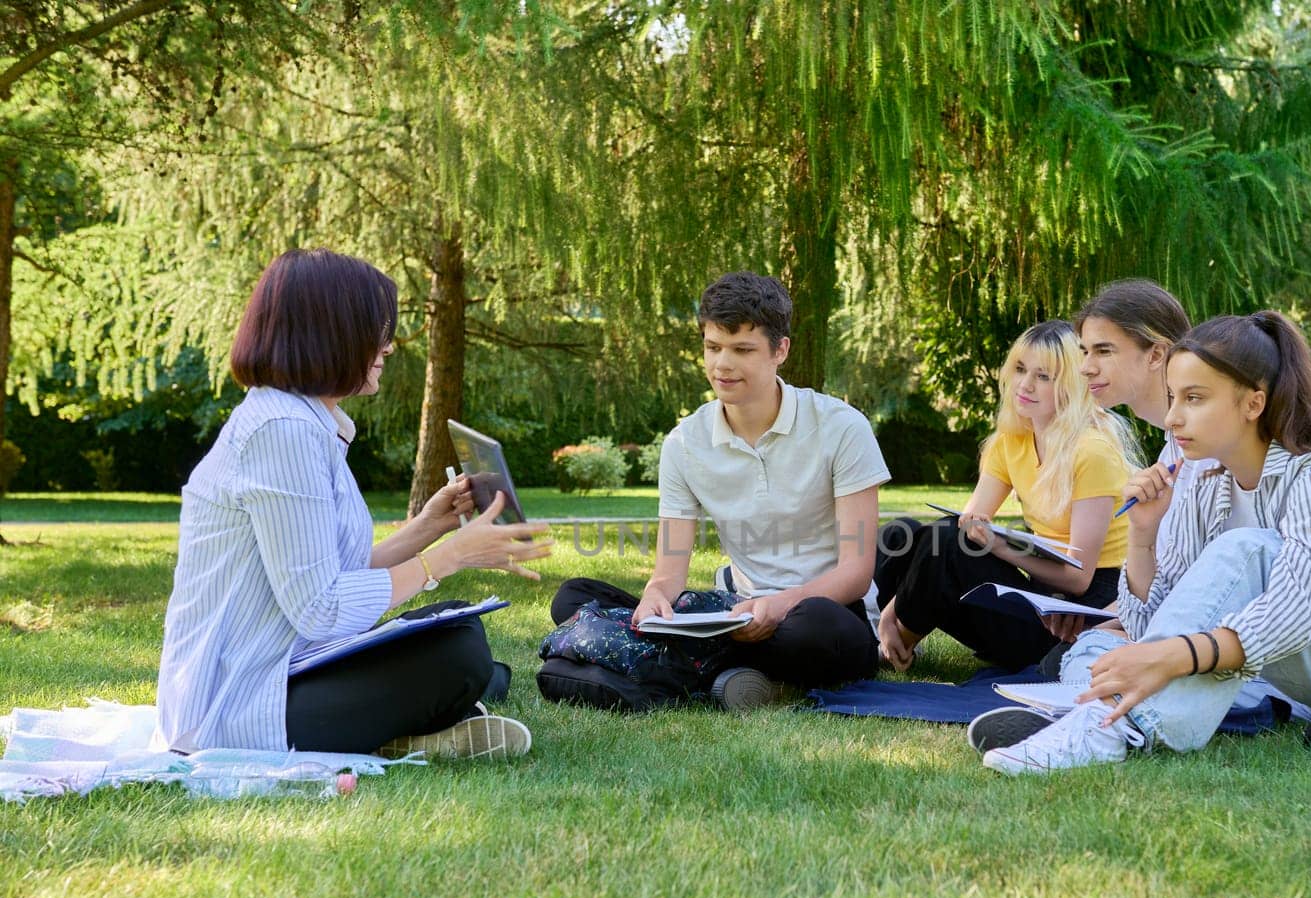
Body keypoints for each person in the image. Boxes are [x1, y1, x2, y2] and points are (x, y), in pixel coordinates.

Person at [981, 310, 1311, 774]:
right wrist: (1144, 535)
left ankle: (1109, 726)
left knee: (1247, 550)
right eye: (1171, 397)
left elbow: (1300, 610)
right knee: (1097, 650)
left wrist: (1170, 657)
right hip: (1287, 669)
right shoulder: (1208, 479)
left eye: (1194, 399)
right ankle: (1105, 716)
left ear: (1253, 403)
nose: (1171, 418)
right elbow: (1156, 620)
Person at [155, 249, 551, 759]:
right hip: (240, 705)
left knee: (458, 624)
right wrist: (451, 557)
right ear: (332, 334)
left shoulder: (305, 423)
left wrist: (429, 527)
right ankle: (418, 728)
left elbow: (331, 571)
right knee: (459, 655)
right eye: (375, 330)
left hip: (291, 667)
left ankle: (422, 719)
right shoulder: (284, 432)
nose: (386, 347)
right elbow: (321, 608)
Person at [548, 271, 889, 707]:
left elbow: (856, 572)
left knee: (814, 627)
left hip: (826, 615)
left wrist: (779, 605)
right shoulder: (684, 443)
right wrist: (655, 598)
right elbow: (669, 573)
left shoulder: (841, 427)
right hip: (737, 613)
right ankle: (732, 669)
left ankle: (699, 664)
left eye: (742, 349)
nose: (722, 365)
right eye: (713, 347)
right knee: (573, 596)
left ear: (779, 350)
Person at [873, 320, 1141, 671]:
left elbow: (1079, 578)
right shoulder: (1010, 441)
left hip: (1078, 618)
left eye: (1043, 376)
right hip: (1038, 597)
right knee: (904, 535)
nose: (1025, 384)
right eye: (1019, 369)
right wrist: (893, 607)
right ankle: (886, 630)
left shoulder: (1092, 451)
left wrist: (999, 546)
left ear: (1071, 385)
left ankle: (894, 649)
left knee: (945, 541)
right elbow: (965, 526)